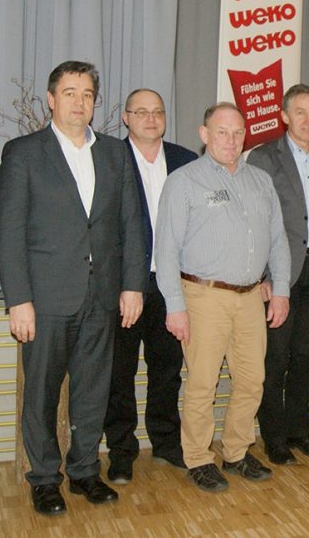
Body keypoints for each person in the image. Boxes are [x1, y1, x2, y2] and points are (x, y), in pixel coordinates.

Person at [0, 60, 146, 515]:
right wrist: (18, 299)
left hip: (102, 298)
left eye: (87, 94)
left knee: (93, 392)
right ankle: (43, 479)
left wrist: (133, 286)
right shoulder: (23, 152)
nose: (80, 102)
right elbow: (8, 231)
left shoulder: (116, 153)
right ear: (51, 99)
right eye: (70, 92)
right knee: (40, 395)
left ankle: (83, 473)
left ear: (95, 102)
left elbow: (131, 225)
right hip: (45, 300)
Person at [155, 102, 291, 492]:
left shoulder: (261, 181)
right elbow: (166, 250)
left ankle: (235, 452)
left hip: (252, 297)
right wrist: (175, 307)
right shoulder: (184, 181)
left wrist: (279, 290)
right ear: (204, 134)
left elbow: (278, 240)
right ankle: (198, 457)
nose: (230, 140)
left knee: (252, 380)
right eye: (221, 132)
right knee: (202, 382)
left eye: (237, 132)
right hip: (202, 296)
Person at [249, 84, 309, 465]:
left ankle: (297, 431)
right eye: (301, 112)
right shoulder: (263, 158)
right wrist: (263, 276)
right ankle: (274, 438)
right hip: (280, 272)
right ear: (284, 116)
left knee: (308, 355)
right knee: (276, 358)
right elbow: (254, 223)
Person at [104, 89, 197, 484]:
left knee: (167, 370)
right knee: (119, 374)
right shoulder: (108, 159)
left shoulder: (185, 161)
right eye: (141, 112)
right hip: (126, 286)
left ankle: (165, 442)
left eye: (158, 112)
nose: (151, 118)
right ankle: (122, 453)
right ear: (126, 118)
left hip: (172, 286)